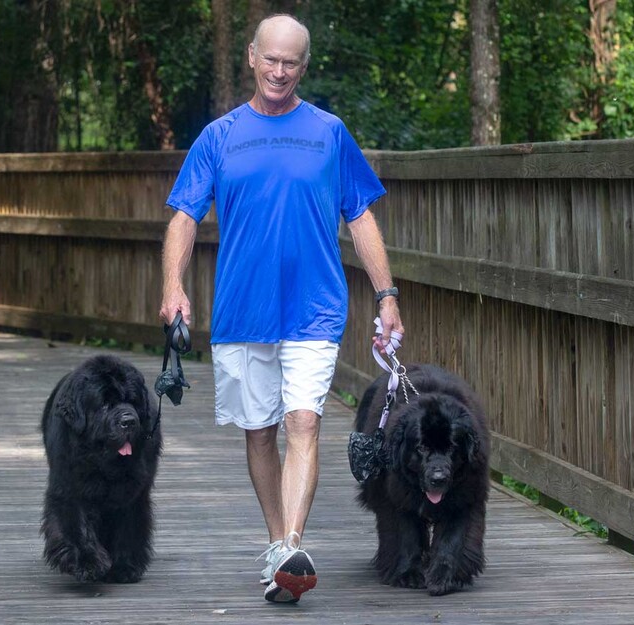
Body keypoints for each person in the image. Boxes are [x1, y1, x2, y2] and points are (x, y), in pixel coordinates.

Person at [158, 13, 404, 604]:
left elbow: (362, 215)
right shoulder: (218, 137)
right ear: (251, 57)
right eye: (270, 58)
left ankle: (293, 542)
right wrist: (173, 286)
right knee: (260, 430)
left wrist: (388, 294)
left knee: (304, 422)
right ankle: (279, 551)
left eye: (291, 61)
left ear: (304, 66)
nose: (279, 70)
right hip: (243, 310)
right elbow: (184, 216)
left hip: (314, 308)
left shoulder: (329, 132)